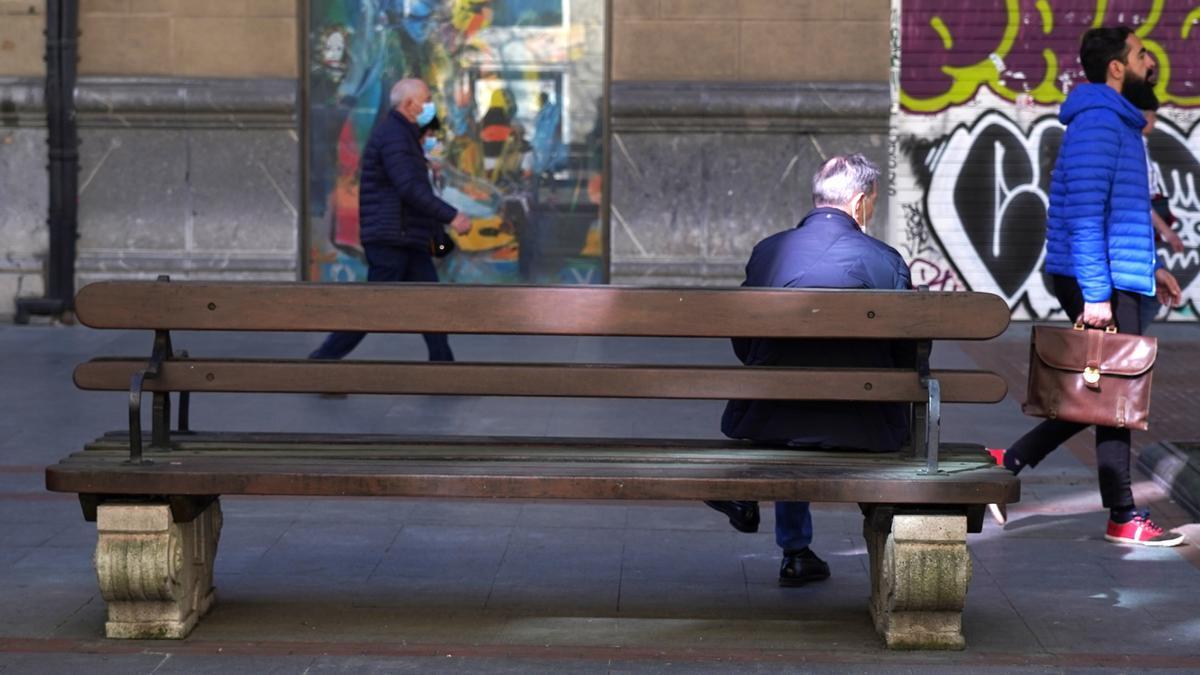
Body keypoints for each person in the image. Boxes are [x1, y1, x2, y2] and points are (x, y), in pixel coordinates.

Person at [990, 28, 1184, 546]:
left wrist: (1151, 268)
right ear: (1116, 67)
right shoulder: (1100, 122)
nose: (1151, 63)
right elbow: (1083, 217)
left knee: (1106, 393)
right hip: (1095, 278)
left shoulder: (1114, 122)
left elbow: (1118, 214)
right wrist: (1097, 294)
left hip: (1115, 275)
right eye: (1142, 54)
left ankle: (1008, 461)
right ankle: (1122, 514)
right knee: (1115, 395)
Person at [706, 154, 914, 586]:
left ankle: (795, 550)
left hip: (771, 422)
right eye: (873, 202)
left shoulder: (768, 253)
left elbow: (746, 346)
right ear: (859, 203)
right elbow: (904, 355)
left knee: (788, 406)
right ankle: (871, 521)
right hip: (864, 427)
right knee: (837, 406)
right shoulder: (886, 261)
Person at [310, 78, 471, 363]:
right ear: (409, 105)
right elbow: (409, 188)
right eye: (427, 99)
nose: (430, 106)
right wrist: (452, 215)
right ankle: (322, 361)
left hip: (406, 238)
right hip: (392, 239)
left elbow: (410, 186)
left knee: (430, 305)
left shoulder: (403, 135)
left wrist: (429, 167)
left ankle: (445, 368)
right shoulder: (394, 135)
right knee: (373, 308)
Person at [1131, 92, 1185, 328]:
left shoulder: (1136, 145)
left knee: (1145, 293)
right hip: (1135, 231)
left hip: (1136, 230)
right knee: (1150, 293)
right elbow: (1140, 201)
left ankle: (1123, 341)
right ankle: (1127, 342)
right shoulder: (1135, 148)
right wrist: (1167, 232)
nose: (1156, 122)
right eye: (1154, 116)